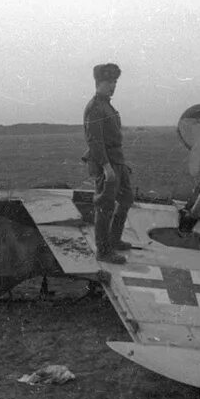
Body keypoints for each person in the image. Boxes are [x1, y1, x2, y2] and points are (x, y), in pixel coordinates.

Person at [83, 63, 133, 264]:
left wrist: (120, 165)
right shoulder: (95, 107)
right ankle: (103, 251)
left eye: (114, 82)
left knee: (127, 199)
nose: (112, 86)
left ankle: (114, 239)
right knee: (105, 207)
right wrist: (106, 167)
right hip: (107, 163)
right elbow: (95, 141)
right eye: (108, 82)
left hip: (117, 161)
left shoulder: (107, 105)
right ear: (98, 83)